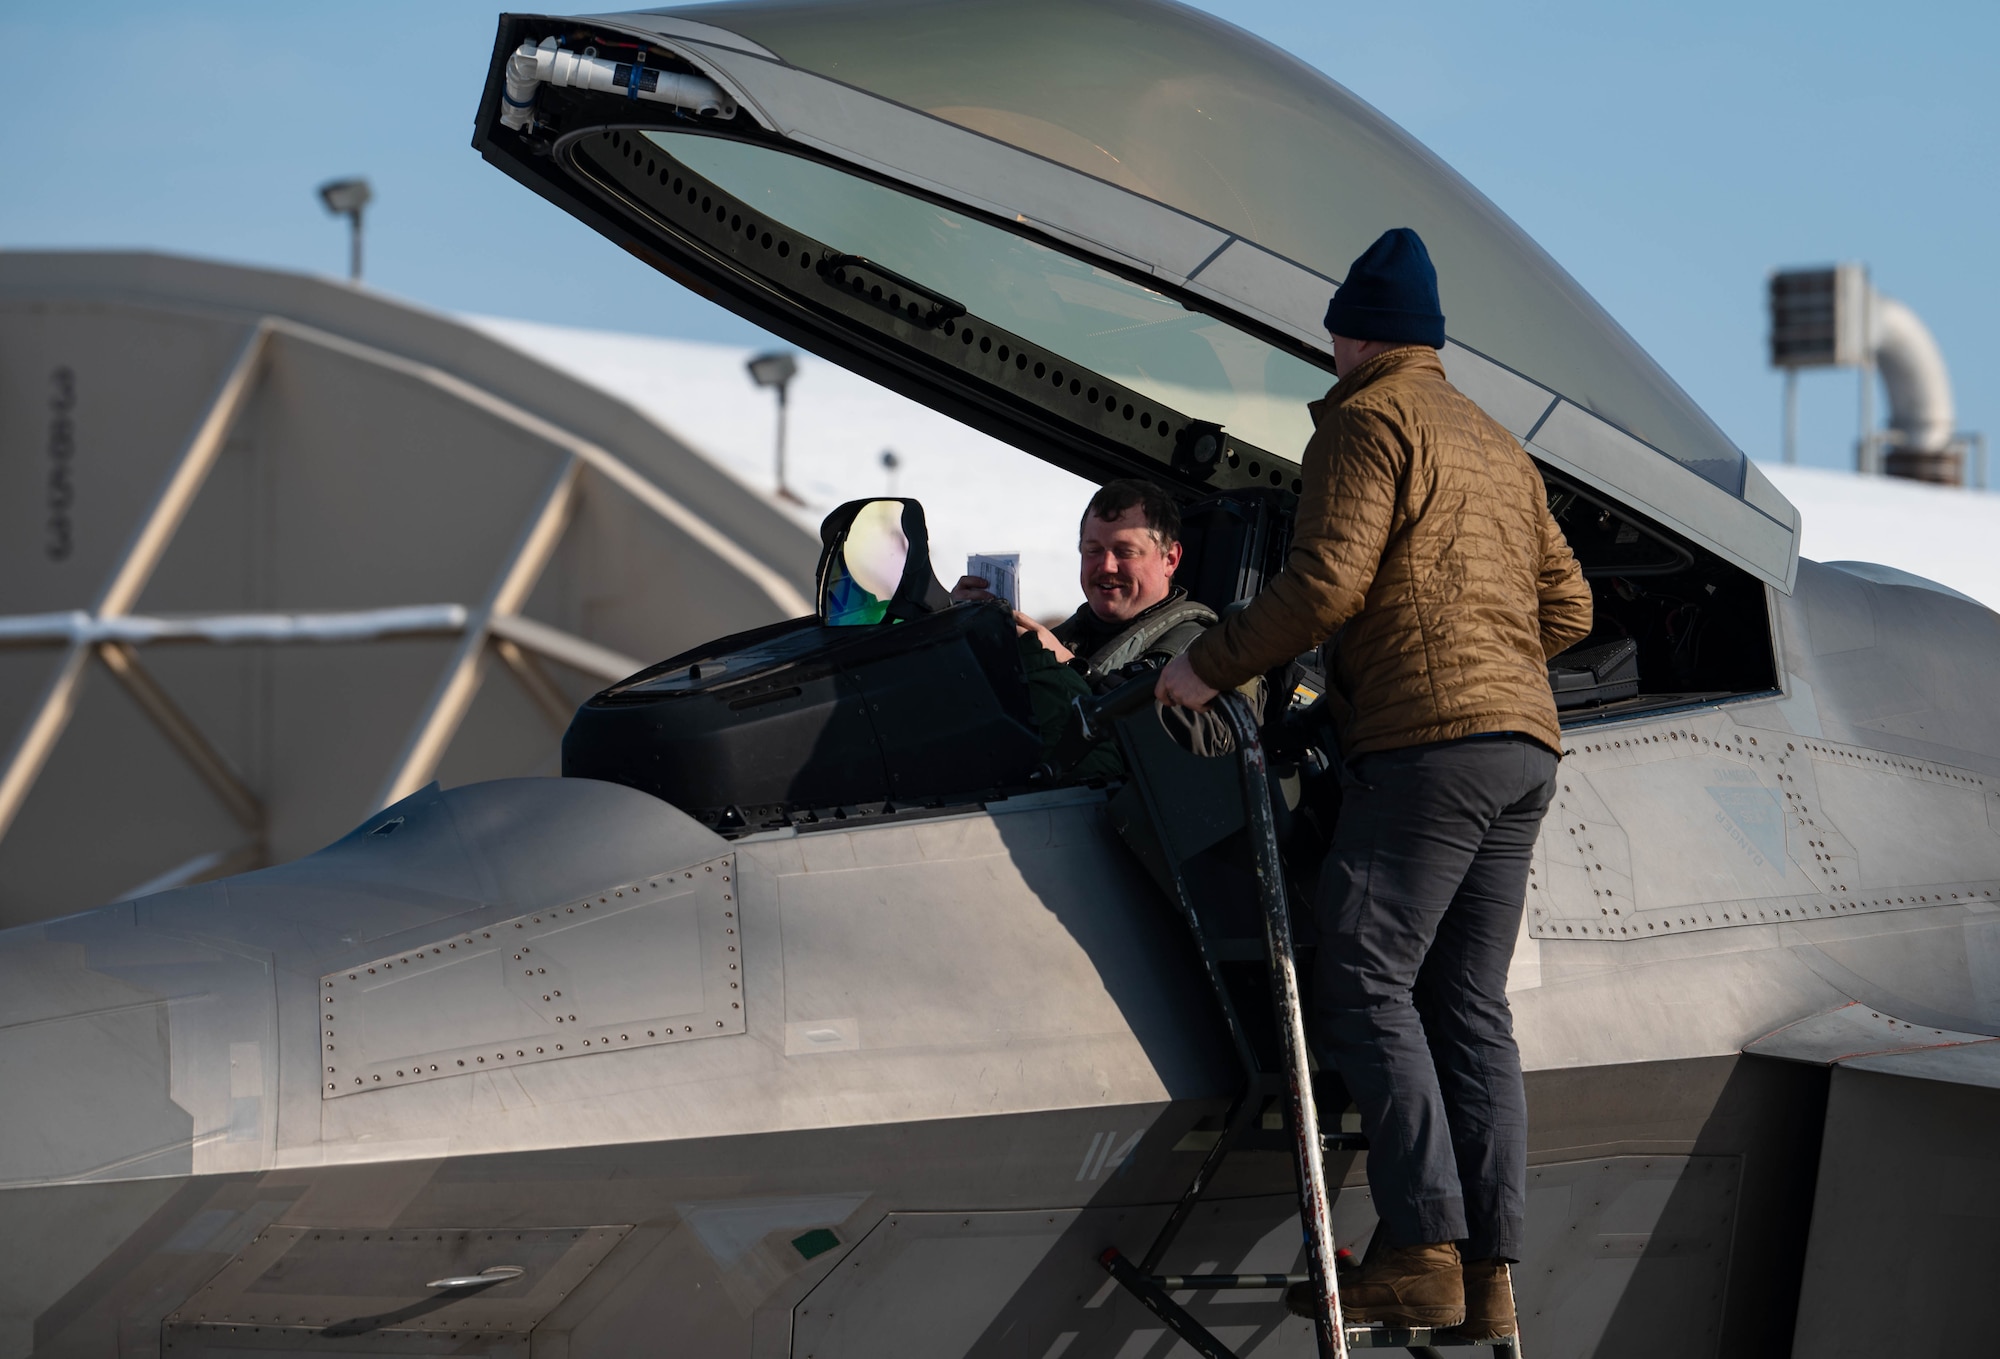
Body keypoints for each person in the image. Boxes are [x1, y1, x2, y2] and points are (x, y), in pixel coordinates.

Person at [1156, 227, 1592, 1337]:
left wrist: (1201, 667)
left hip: (1426, 745)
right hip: (1521, 750)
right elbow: (1571, 614)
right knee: (1465, 1003)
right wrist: (1486, 653)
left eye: (1333, 334)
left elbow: (1326, 581)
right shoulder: (1497, 444)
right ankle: (1489, 1272)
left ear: (1352, 336)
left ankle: (1418, 1249)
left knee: (1356, 963)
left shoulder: (1364, 419)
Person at [955, 479, 1253, 759]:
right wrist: (964, 632)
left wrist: (1071, 670)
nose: (1107, 566)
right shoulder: (1062, 637)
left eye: (1126, 552)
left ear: (1170, 559)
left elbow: (1217, 745)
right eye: (1093, 550)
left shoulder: (1212, 652)